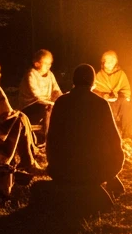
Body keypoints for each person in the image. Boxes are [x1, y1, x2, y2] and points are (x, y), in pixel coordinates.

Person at [46, 63, 125, 198]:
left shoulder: (61, 102)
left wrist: (54, 163)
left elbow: (52, 138)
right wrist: (112, 170)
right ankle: (108, 179)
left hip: (62, 171)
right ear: (93, 82)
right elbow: (114, 140)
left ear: (73, 81)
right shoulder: (101, 104)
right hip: (93, 172)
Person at [17, 48, 63, 141]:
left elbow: (56, 90)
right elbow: (37, 97)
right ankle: (47, 138)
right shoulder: (31, 75)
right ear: (36, 64)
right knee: (47, 108)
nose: (48, 66)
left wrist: (63, 99)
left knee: (58, 107)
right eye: (45, 63)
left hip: (46, 105)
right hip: (29, 107)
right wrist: (52, 103)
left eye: (50, 63)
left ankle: (60, 134)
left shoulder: (50, 75)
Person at [92, 49, 132, 139]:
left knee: (128, 105)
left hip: (118, 102)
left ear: (116, 61)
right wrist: (104, 95)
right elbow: (94, 91)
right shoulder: (99, 75)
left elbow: (126, 90)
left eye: (112, 60)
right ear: (103, 62)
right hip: (104, 102)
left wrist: (119, 96)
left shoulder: (121, 74)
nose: (110, 63)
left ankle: (127, 136)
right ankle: (105, 136)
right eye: (108, 61)